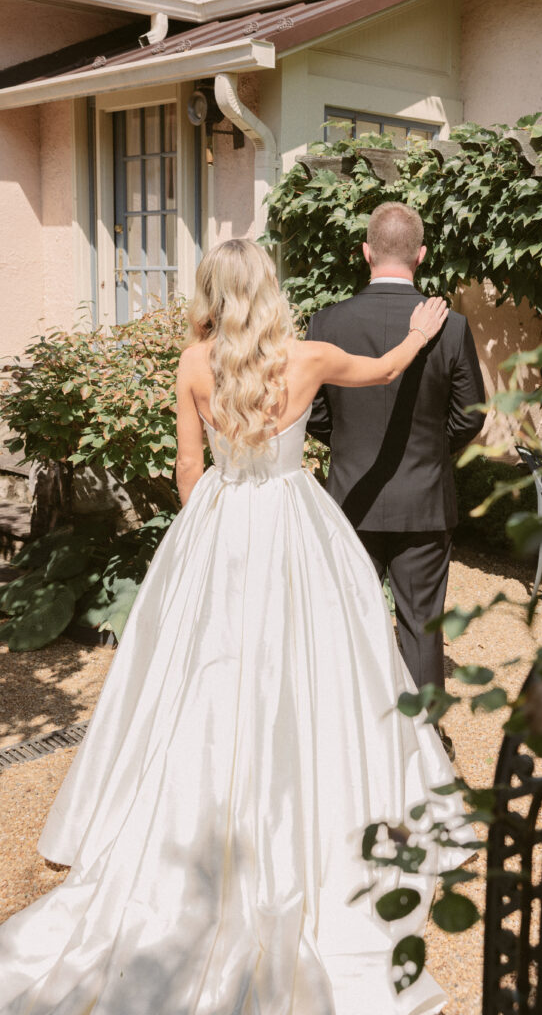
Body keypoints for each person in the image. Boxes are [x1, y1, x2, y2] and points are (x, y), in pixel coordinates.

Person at [0, 239, 475, 1015]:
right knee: (319, 659)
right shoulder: (310, 356)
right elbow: (385, 371)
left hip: (221, 521)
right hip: (295, 519)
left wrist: (209, 531)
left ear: (213, 293)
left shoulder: (194, 364)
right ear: (271, 287)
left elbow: (188, 470)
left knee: (202, 671)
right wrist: (420, 333)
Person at [306, 203, 486, 758]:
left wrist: (346, 445)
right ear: (421, 255)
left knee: (348, 626)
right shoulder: (450, 325)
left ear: (365, 252)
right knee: (422, 626)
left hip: (350, 500)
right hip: (424, 502)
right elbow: (472, 415)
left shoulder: (327, 322)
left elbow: (312, 413)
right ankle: (426, 749)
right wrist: (431, 453)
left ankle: (349, 743)